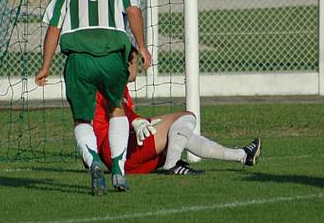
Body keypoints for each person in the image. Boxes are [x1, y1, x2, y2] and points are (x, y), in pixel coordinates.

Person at [35, 0, 151, 196]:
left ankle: (94, 161)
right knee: (116, 109)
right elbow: (133, 11)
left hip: (78, 58)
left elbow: (53, 27)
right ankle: (118, 170)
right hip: (112, 56)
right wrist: (142, 47)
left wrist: (45, 66)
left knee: (82, 118)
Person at [92, 47, 262, 175]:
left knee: (178, 134)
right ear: (127, 64)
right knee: (187, 117)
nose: (139, 66)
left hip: (121, 156)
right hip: (115, 150)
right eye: (136, 62)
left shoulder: (117, 85)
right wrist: (138, 120)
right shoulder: (109, 85)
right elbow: (122, 111)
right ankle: (172, 165)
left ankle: (242, 155)